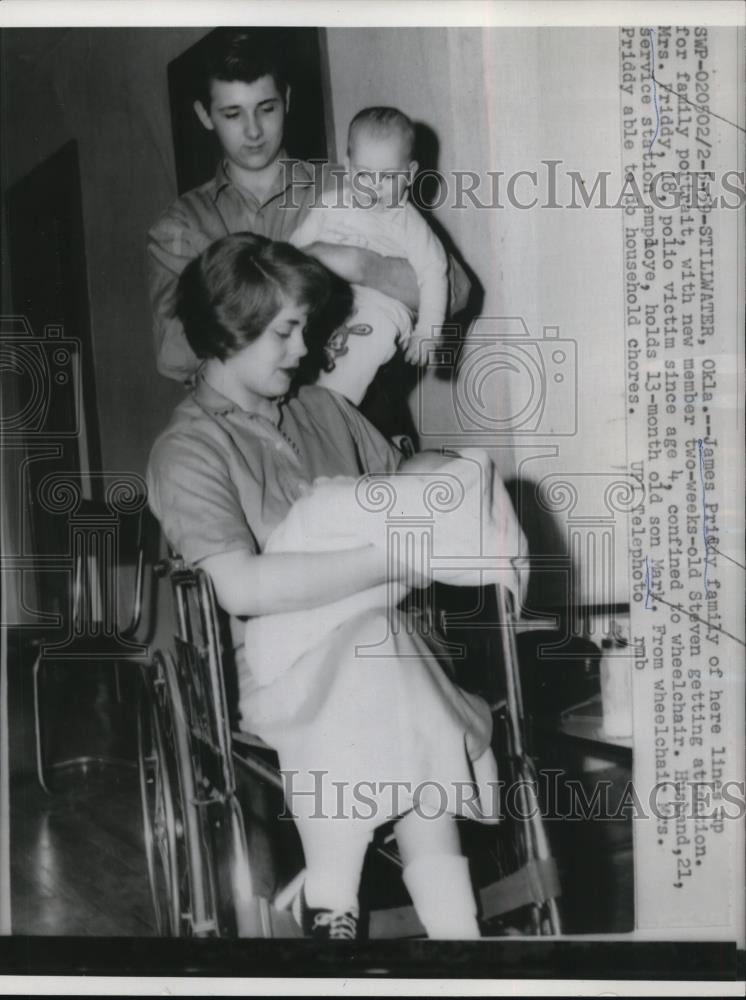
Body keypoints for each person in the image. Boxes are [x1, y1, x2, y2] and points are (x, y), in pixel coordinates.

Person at [146, 233, 499, 941]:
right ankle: (455, 930)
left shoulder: (326, 411)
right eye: (285, 331)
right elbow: (242, 589)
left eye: (304, 326)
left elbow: (401, 485)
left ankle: (334, 897)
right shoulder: (189, 448)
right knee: (380, 647)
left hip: (384, 654)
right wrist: (398, 560)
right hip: (275, 675)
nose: (305, 347)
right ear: (228, 330)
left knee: (378, 644)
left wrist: (452, 476)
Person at [146, 29, 469, 395]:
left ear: (286, 99)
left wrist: (362, 264)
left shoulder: (348, 185)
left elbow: (456, 290)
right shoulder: (180, 227)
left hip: (362, 429)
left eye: (266, 108)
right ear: (205, 115)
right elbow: (177, 356)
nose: (253, 131)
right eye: (232, 113)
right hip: (252, 437)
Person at [288, 106, 448, 406]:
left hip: (382, 306)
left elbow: (434, 271)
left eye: (387, 177)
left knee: (356, 358)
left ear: (410, 174)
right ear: (348, 168)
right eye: (364, 175)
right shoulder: (328, 205)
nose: (374, 187)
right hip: (330, 300)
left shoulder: (409, 222)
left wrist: (428, 330)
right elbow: (293, 252)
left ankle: (334, 411)